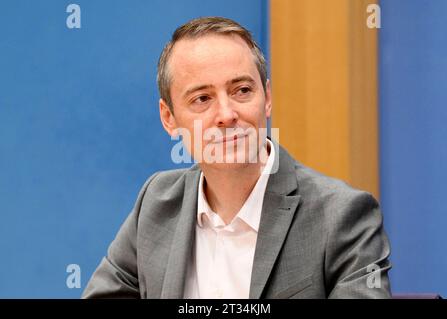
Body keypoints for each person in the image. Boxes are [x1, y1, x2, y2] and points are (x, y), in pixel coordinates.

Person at [83, 16, 391, 299]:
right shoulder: (157, 203)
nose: (227, 115)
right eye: (202, 99)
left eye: (242, 90)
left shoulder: (341, 215)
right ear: (169, 118)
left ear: (266, 98)